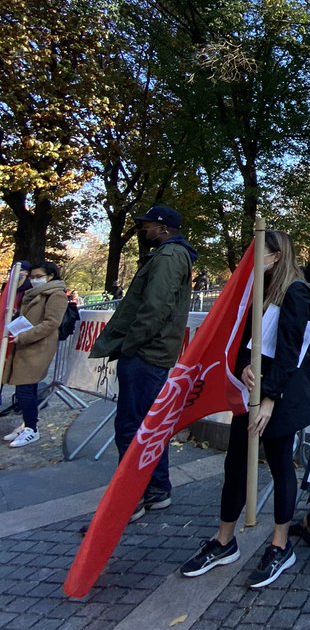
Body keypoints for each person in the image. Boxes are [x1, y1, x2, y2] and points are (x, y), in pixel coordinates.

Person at [180, 230, 310, 589]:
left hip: (279, 397)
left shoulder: (296, 292)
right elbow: (243, 341)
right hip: (251, 393)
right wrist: (243, 365)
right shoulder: (257, 291)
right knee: (236, 463)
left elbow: (291, 351)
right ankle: (224, 540)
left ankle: (280, 545)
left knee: (280, 464)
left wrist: (269, 398)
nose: (254, 260)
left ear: (278, 255)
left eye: (261, 253)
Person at [90, 205, 196, 516]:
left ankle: (131, 498)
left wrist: (131, 345)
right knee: (147, 426)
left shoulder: (168, 256)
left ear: (163, 228)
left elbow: (154, 308)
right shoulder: (170, 255)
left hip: (145, 354)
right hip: (151, 352)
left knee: (131, 427)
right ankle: (155, 489)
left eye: (147, 224)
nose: (143, 229)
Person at [2, 261, 69, 448]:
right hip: (26, 346)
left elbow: (51, 323)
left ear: (50, 276)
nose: (34, 280)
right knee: (26, 389)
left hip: (37, 347)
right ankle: (28, 424)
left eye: (39, 277)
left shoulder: (56, 295)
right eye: (32, 277)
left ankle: (32, 429)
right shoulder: (33, 293)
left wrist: (24, 336)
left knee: (24, 389)